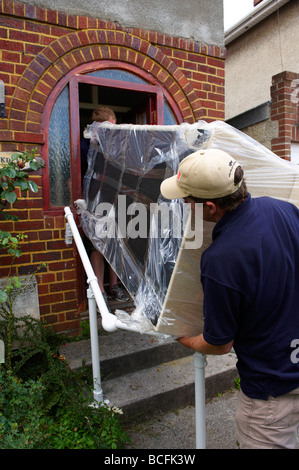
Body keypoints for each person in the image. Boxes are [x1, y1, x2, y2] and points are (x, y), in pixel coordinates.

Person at [160, 148, 299, 449]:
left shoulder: (220, 259)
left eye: (188, 200)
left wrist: (182, 337)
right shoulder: (284, 210)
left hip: (271, 392)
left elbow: (219, 343)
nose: (185, 204)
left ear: (210, 207)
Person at [81, 106, 129, 303]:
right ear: (111, 120)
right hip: (95, 198)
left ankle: (113, 286)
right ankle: (100, 290)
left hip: (115, 197)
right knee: (98, 244)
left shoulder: (118, 144)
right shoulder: (87, 144)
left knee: (115, 243)